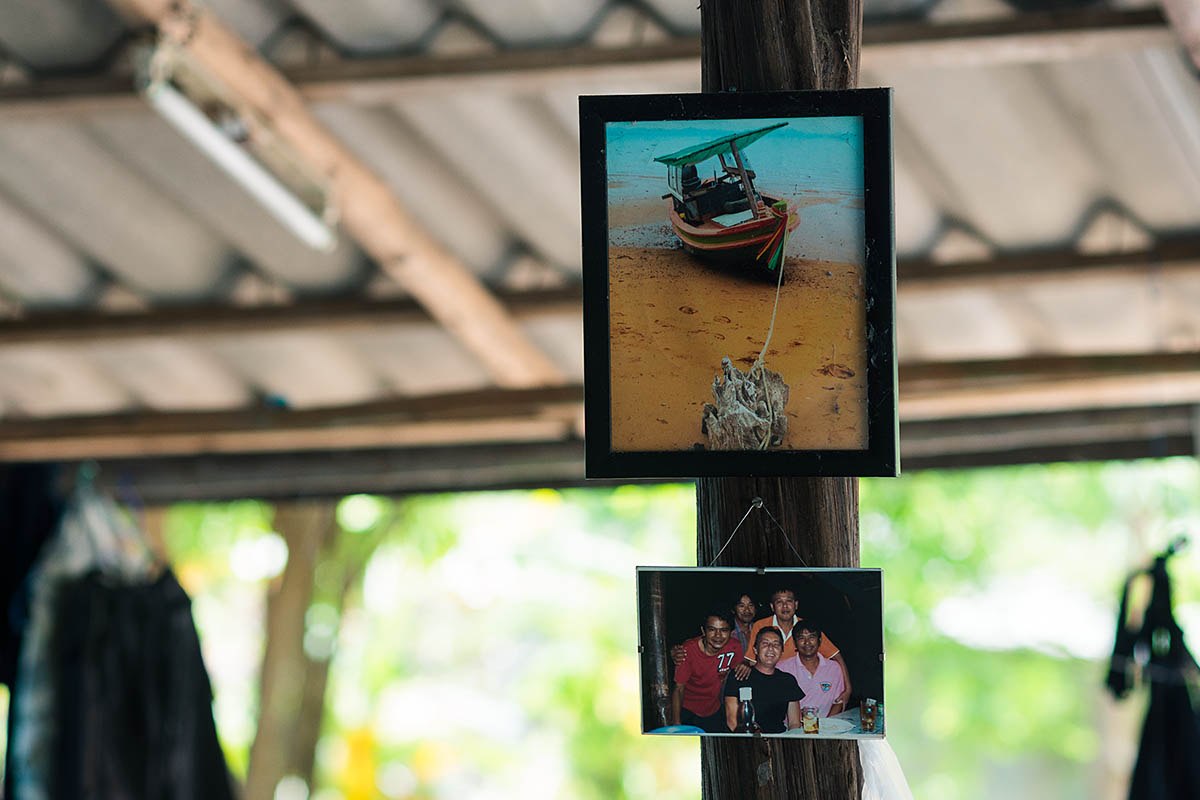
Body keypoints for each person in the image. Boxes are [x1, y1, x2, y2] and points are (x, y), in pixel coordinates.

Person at [747, 588, 853, 704]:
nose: (785, 606)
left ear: (796, 605)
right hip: (768, 682)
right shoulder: (760, 626)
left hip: (797, 686)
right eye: (779, 602)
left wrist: (848, 689)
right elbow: (752, 660)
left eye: (789, 601)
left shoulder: (806, 629)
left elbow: (836, 656)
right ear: (772, 606)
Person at [669, 611, 744, 733]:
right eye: (712, 630)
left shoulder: (734, 647)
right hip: (687, 710)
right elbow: (678, 689)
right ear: (703, 631)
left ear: (731, 632)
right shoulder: (687, 651)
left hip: (714, 709)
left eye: (724, 630)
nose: (718, 636)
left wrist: (745, 664)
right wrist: (676, 724)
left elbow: (739, 673)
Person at [723, 627, 802, 733]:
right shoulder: (739, 675)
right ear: (755, 649)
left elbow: (794, 723)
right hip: (746, 740)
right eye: (765, 643)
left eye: (776, 644)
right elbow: (732, 721)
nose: (770, 648)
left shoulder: (788, 680)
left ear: (782, 651)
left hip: (778, 741)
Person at [776, 621, 846, 718]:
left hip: (826, 728)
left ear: (820, 640)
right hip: (793, 730)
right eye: (801, 638)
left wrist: (824, 726)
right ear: (795, 643)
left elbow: (838, 702)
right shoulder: (782, 668)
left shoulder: (834, 668)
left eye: (812, 637)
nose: (807, 642)